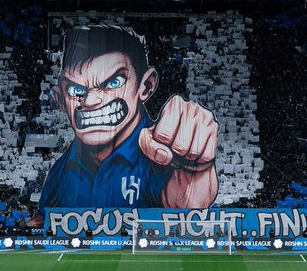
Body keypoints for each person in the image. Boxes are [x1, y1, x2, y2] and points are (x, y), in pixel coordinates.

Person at [31, 24, 220, 226]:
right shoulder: (61, 171)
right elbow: (43, 222)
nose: (91, 101)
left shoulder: (162, 159)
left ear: (146, 86)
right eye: (76, 90)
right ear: (60, 98)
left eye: (114, 82)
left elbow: (185, 213)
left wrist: (192, 181)